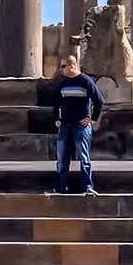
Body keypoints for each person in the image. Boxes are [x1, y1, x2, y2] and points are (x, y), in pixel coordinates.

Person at [52, 54, 103, 194]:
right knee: (62, 158)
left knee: (83, 157)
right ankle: (60, 187)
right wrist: (57, 118)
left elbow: (99, 101)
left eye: (63, 66)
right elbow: (56, 103)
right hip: (65, 125)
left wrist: (92, 119)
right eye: (61, 66)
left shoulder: (85, 81)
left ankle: (87, 186)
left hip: (81, 126)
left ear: (73, 66)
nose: (61, 69)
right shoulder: (62, 83)